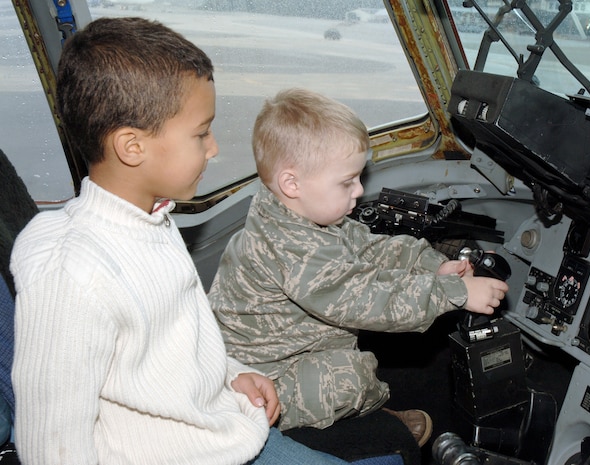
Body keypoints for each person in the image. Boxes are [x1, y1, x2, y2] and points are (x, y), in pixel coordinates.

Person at [9, 18, 350, 465]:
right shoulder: (73, 272)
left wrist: (232, 375)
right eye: (200, 133)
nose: (212, 148)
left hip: (216, 421)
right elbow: (50, 447)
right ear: (132, 147)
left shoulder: (150, 216)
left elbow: (173, 348)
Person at [208, 88, 510, 445]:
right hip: (258, 379)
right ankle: (376, 416)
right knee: (354, 376)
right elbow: (372, 302)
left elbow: (370, 248)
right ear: (293, 183)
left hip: (287, 348)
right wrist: (457, 293)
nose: (358, 191)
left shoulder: (297, 213)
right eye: (346, 181)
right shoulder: (293, 249)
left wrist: (435, 265)